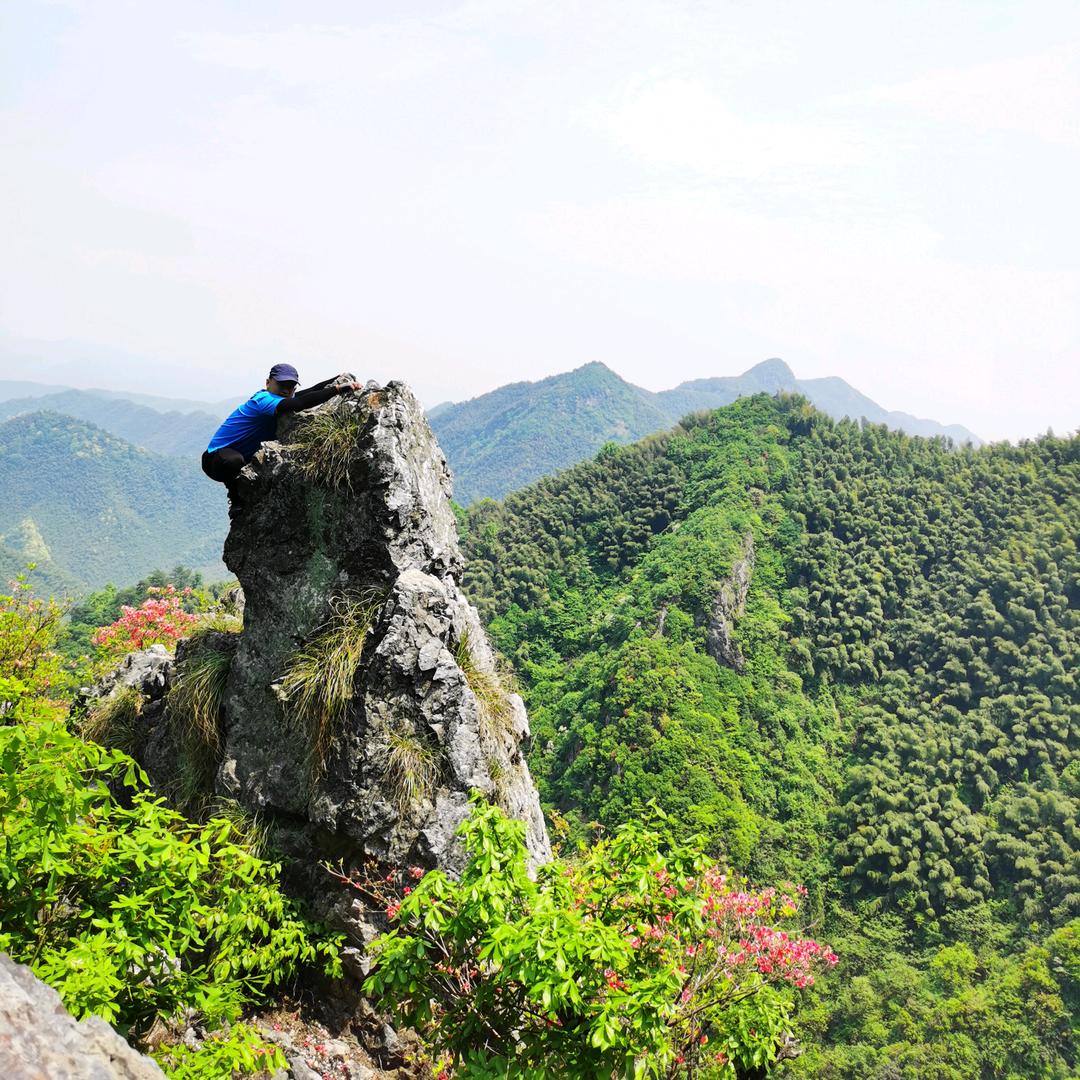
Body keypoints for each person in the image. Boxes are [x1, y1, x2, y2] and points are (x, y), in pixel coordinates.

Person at [202, 364, 362, 490]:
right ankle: (235, 494)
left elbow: (310, 391)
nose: (286, 389)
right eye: (282, 384)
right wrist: (337, 389)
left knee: (240, 462)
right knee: (233, 461)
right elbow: (300, 403)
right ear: (268, 383)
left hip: (243, 458)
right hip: (216, 460)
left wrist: (337, 378)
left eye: (291, 385)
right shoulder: (264, 400)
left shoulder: (281, 397)